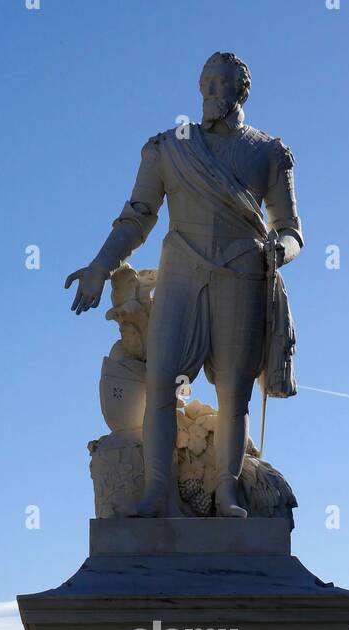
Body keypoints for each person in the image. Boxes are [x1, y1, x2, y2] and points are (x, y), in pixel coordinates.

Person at [66, 52, 303, 518]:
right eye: (207, 83)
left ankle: (227, 491)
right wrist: (99, 265)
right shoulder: (169, 147)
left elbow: (293, 228)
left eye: (223, 83)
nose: (213, 91)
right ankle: (158, 491)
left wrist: (281, 249)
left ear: (242, 90)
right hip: (181, 274)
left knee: (234, 392)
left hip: (243, 273)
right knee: (160, 382)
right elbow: (136, 218)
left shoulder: (269, 152)